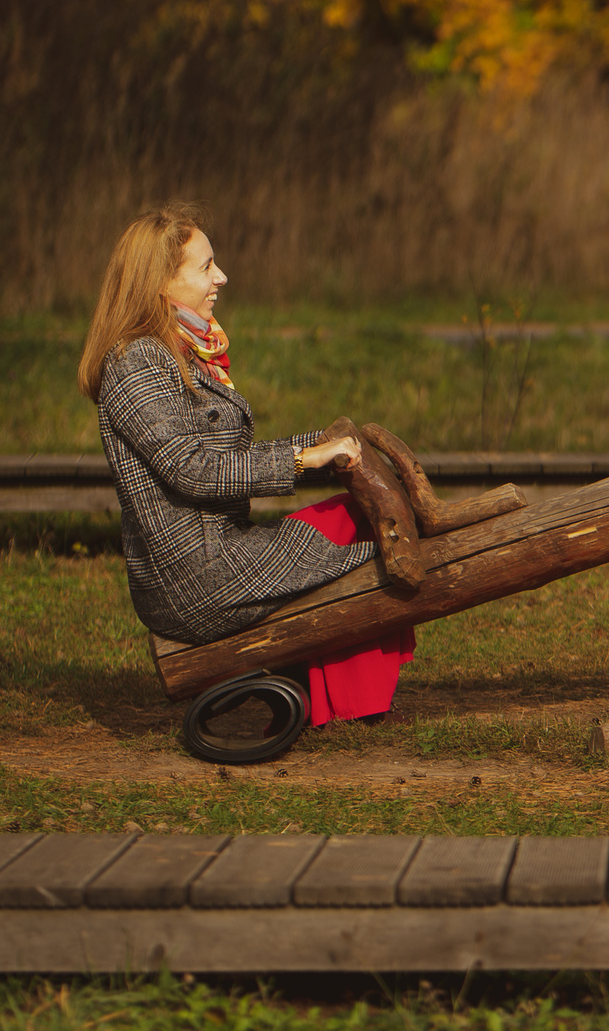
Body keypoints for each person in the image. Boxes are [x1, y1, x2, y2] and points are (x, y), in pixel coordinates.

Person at [77, 203, 416, 725]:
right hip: (195, 576)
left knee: (352, 522)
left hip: (216, 556)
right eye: (206, 266)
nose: (222, 277)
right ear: (161, 282)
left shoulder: (181, 350)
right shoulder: (138, 361)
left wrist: (324, 444)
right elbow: (194, 469)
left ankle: (339, 698)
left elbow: (219, 458)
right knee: (378, 557)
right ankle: (341, 704)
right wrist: (306, 457)